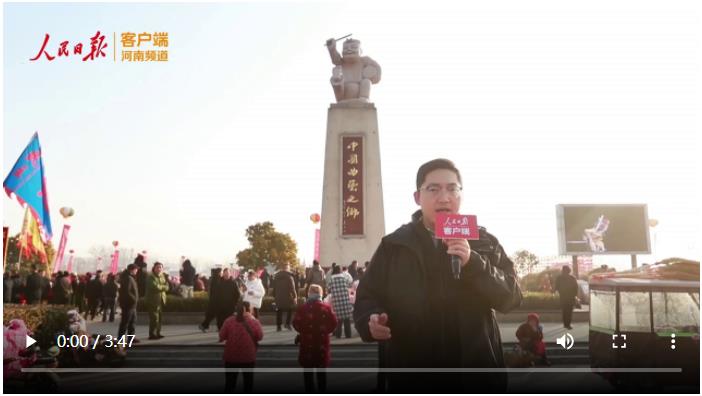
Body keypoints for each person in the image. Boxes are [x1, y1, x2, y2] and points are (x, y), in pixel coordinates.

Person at [354, 158, 522, 392]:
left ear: (461, 195)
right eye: (433, 189)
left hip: (476, 377)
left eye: (452, 189)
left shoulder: (484, 242)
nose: (444, 197)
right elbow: (366, 298)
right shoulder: (393, 245)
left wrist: (473, 262)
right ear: (417, 197)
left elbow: (511, 297)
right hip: (412, 377)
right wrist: (370, 320)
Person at [292, 284, 337, 392]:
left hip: (307, 342)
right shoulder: (326, 308)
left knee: (308, 372)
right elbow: (334, 323)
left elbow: (295, 323)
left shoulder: (303, 308)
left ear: (309, 294)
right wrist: (325, 331)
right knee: (321, 373)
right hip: (321, 342)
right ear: (321, 294)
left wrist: (303, 331)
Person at [219, 301, 263, 392]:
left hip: (231, 356)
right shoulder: (254, 322)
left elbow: (222, 336)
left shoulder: (229, 321)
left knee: (230, 384)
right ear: (249, 309)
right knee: (248, 383)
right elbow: (260, 337)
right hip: (248, 357)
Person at [145, 262, 169, 339]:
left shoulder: (162, 276)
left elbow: (168, 286)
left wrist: (162, 287)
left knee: (159, 318)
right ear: (154, 268)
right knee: (154, 318)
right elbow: (155, 287)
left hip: (161, 300)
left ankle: (158, 333)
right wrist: (163, 287)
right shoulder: (150, 277)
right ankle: (152, 334)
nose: (159, 269)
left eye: (160, 267)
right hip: (152, 300)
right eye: (157, 267)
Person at [329, 266, 353, 338]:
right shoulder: (344, 277)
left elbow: (329, 288)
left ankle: (338, 334)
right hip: (345, 299)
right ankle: (348, 335)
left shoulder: (331, 279)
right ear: (340, 271)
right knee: (347, 319)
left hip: (336, 300)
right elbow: (350, 284)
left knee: (338, 319)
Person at [273, 264, 297, 331]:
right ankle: (287, 324)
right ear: (287, 268)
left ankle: (278, 326)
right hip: (288, 296)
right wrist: (295, 296)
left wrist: (274, 295)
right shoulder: (289, 277)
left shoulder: (276, 276)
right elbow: (292, 288)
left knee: (279, 310)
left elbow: (274, 287)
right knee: (290, 309)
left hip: (278, 296)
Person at [118, 264, 139, 340]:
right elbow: (127, 292)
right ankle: (120, 339)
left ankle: (131, 338)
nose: (137, 271)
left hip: (131, 305)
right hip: (128, 304)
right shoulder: (128, 278)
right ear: (132, 269)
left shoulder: (129, 277)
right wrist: (134, 299)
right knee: (125, 322)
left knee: (132, 322)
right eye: (136, 269)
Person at [554, 265, 578, 330]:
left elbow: (556, 287)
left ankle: (566, 324)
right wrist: (575, 295)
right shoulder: (572, 278)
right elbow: (576, 288)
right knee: (568, 311)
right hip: (569, 297)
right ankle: (567, 324)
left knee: (565, 311)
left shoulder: (560, 278)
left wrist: (558, 291)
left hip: (565, 297)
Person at [199, 268, 222, 332]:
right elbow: (217, 291)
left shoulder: (213, 279)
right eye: (221, 272)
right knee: (215, 314)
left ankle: (206, 325)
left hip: (213, 300)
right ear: (219, 272)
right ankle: (204, 325)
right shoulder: (217, 279)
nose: (221, 273)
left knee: (214, 314)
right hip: (216, 300)